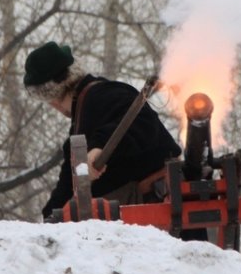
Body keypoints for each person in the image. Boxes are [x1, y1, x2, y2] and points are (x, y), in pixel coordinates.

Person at [24, 41, 182, 221]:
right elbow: (69, 185)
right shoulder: (79, 128)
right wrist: (51, 218)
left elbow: (142, 122)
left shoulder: (104, 94)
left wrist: (99, 147)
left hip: (165, 215)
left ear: (51, 97)